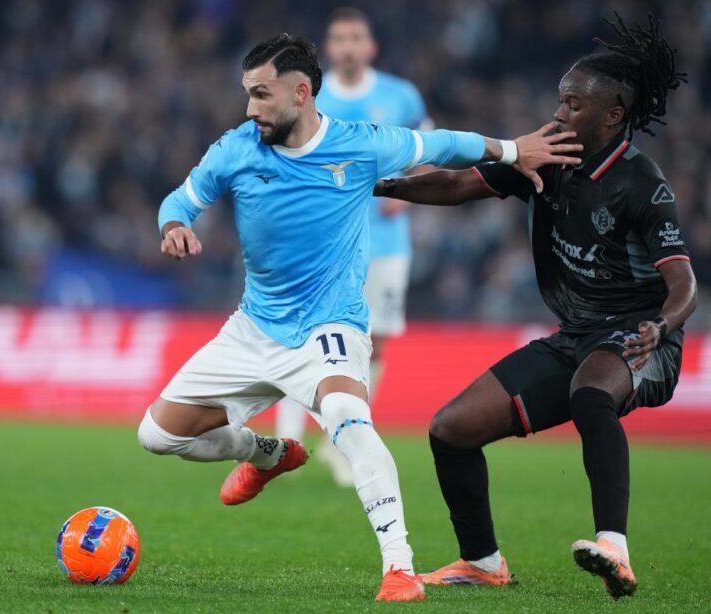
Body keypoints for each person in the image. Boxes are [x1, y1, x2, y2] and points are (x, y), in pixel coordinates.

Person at [137, 32, 581, 602]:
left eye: (261, 95)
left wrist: (514, 151)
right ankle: (266, 453)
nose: (250, 108)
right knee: (156, 434)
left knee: (348, 413)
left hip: (330, 326)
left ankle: (399, 568)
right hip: (253, 327)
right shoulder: (236, 148)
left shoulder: (360, 144)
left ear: (301, 93)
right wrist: (174, 226)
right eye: (247, 94)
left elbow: (443, 145)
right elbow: (181, 199)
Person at [373, 14, 696, 600]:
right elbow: (454, 186)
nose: (559, 113)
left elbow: (684, 286)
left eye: (573, 105)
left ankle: (615, 549)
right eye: (560, 100)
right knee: (450, 429)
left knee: (591, 393)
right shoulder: (545, 158)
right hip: (576, 334)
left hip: (640, 339)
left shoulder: (642, 184)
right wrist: (377, 184)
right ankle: (482, 560)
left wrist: (660, 328)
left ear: (612, 115)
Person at [275, 7, 433, 487]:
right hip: (321, 245)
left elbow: (430, 152)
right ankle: (286, 442)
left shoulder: (400, 96)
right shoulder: (309, 97)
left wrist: (407, 193)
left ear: (370, 47)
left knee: (375, 342)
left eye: (356, 37)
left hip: (384, 244)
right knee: (300, 335)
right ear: (328, 48)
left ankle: (340, 438)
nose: (347, 45)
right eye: (339, 38)